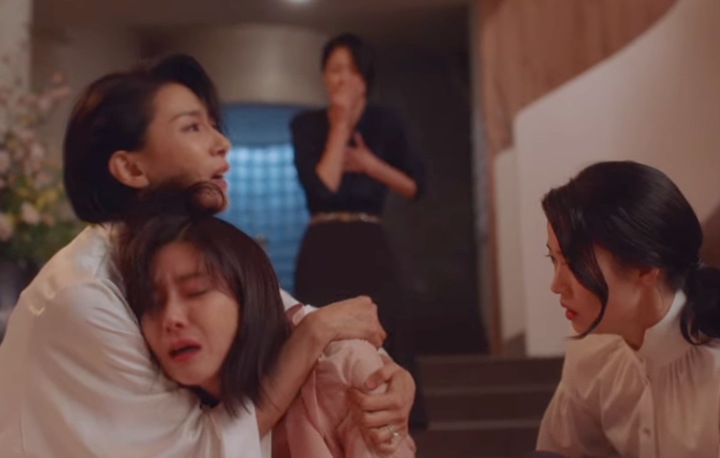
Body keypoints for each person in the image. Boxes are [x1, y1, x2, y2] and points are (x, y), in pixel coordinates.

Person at [0, 53, 415, 458]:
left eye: (214, 125)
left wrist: (389, 380)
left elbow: (302, 322)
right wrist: (312, 337)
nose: (222, 143)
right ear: (131, 169)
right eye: (193, 127)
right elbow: (194, 451)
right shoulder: (85, 294)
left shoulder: (182, 251)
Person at [116, 182, 416, 458]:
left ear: (247, 298)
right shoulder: (152, 408)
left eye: (196, 291)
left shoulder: (340, 374)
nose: (171, 318)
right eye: (152, 304)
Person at [536, 161, 720, 458]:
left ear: (645, 267)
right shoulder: (591, 350)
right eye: (554, 260)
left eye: (573, 263)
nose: (556, 285)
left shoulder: (713, 371)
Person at [291, 32, 427, 429]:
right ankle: (320, 426)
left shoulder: (387, 123)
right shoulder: (306, 125)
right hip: (322, 242)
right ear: (323, 76)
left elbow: (416, 185)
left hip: (369, 241)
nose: (341, 79)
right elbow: (323, 187)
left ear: (365, 78)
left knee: (386, 330)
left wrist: (370, 164)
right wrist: (339, 124)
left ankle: (393, 423)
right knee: (319, 332)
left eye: (350, 71)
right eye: (334, 70)